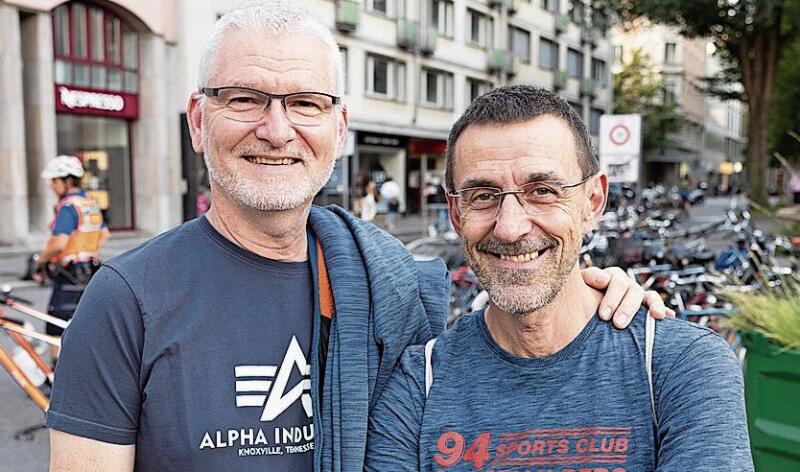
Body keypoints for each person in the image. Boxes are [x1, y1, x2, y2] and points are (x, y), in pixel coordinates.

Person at [46, 3, 669, 471]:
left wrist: (592, 296)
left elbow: (500, 351)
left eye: (307, 104)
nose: (277, 129)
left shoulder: (389, 284)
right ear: (198, 119)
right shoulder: (126, 300)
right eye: (244, 99)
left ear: (339, 127)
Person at [365, 86, 753, 471]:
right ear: (455, 214)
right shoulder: (417, 385)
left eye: (543, 191)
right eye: (483, 195)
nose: (510, 228)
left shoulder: (682, 366)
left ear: (593, 202)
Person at [34, 155, 109, 360]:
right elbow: (104, 234)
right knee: (85, 322)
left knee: (56, 323)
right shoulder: (89, 204)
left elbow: (59, 242)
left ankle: (56, 375)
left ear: (67, 181)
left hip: (68, 274)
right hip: (91, 271)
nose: (51, 186)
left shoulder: (68, 207)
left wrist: (41, 261)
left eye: (54, 181)